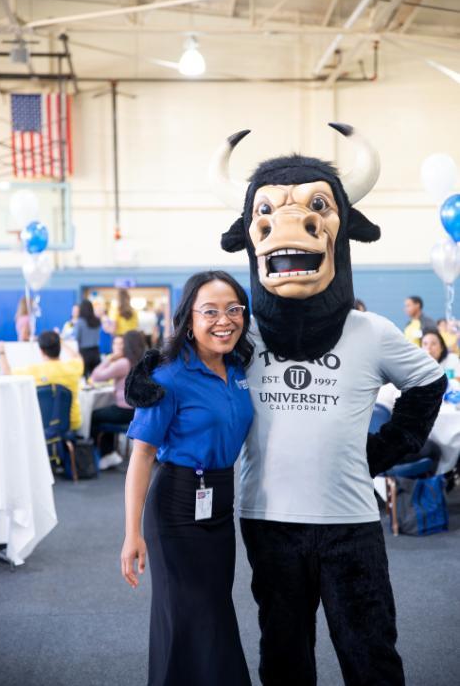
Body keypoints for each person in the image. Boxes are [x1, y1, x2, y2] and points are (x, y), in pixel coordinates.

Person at [128, 125, 447, 686]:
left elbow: (428, 383)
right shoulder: (242, 341)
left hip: (350, 521)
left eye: (317, 208)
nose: (293, 227)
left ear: (342, 231)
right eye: (270, 214)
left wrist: (382, 450)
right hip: (265, 520)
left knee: (371, 652)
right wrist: (145, 373)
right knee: (283, 655)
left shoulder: (369, 330)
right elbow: (187, 359)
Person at [121, 271, 254, 686]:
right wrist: (131, 534)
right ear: (188, 320)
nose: (224, 320)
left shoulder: (239, 368)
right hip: (176, 507)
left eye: (234, 310)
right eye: (210, 311)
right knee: (183, 616)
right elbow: (141, 456)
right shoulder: (169, 377)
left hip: (220, 503)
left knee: (215, 609)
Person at [0, 331, 84, 431]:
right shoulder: (74, 367)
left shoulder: (34, 371)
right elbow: (77, 357)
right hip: (70, 425)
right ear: (59, 347)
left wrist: (1, 352)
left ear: (41, 351)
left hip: (42, 426)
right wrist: (62, 341)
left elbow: (7, 376)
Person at [90, 330, 147, 470]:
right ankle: (110, 452)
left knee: (94, 416)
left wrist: (110, 359)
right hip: (139, 411)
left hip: (124, 410)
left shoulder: (123, 363)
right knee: (106, 413)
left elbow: (96, 376)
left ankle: (105, 454)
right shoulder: (145, 361)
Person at [75, 299, 101, 378]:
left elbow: (77, 337)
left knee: (84, 376)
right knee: (96, 377)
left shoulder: (80, 321)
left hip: (84, 352)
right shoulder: (97, 320)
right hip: (96, 351)